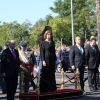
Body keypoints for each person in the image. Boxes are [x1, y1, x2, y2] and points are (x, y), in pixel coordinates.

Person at [40, 26, 57, 92]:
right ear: (46, 35)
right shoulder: (43, 43)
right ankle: (46, 88)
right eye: (48, 34)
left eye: (50, 34)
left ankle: (52, 87)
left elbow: (54, 52)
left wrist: (55, 60)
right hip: (46, 60)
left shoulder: (52, 42)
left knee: (51, 74)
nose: (49, 35)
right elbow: (42, 52)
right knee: (46, 74)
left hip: (52, 60)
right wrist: (43, 60)